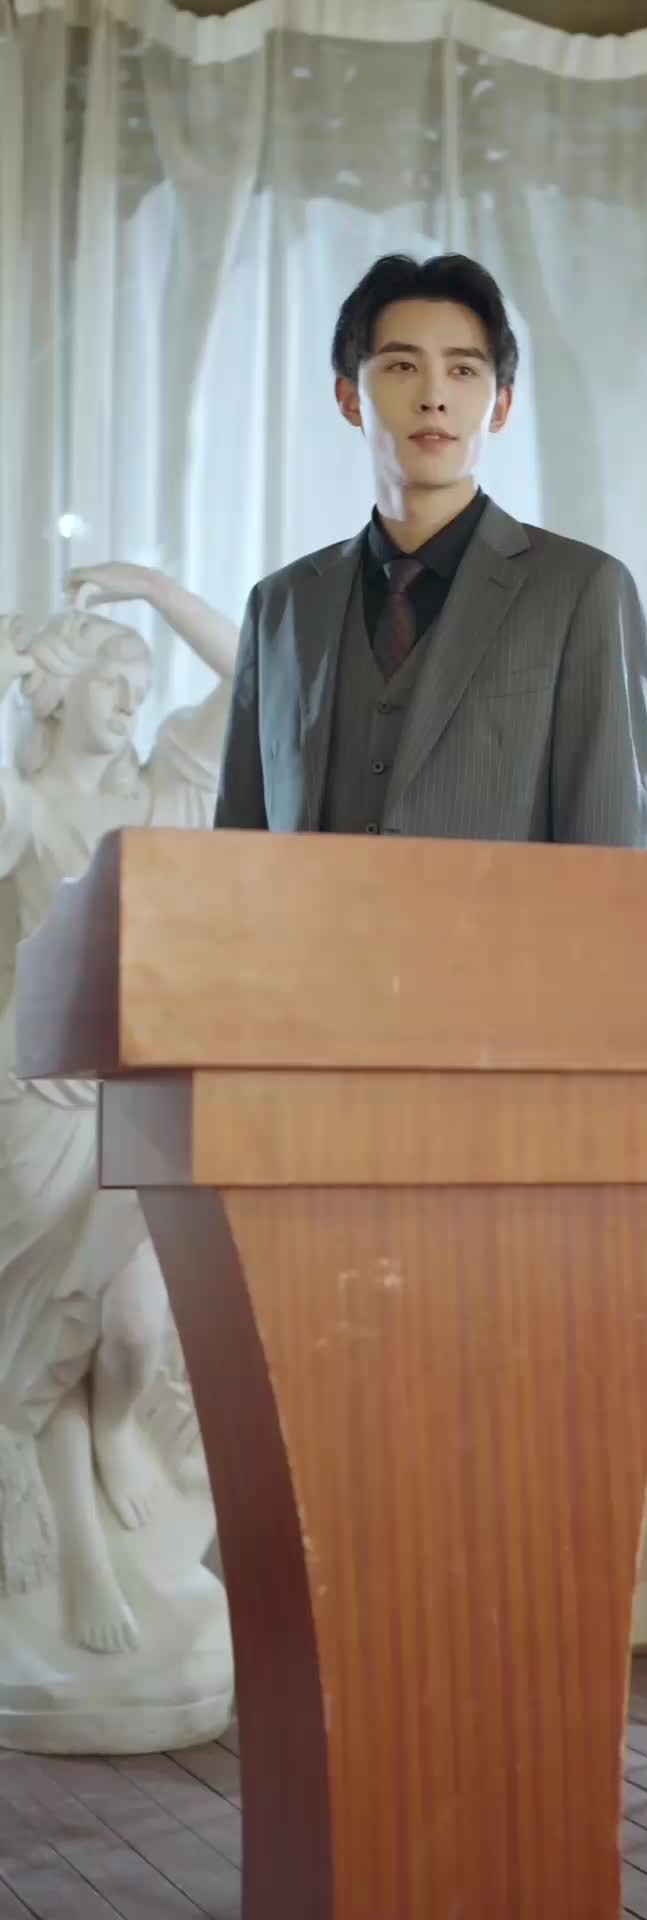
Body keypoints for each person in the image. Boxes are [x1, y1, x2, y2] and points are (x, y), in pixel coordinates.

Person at [213, 252, 647, 846]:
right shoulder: (280, 606)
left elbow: (609, 854)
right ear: (349, 398)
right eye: (402, 366)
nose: (433, 397)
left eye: (464, 370)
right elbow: (237, 853)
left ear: (501, 406)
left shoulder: (582, 590)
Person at [0, 567, 237, 1653]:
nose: (132, 703)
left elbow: (256, 674)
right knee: (49, 1320)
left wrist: (152, 590)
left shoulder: (163, 791)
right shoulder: (25, 809)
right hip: (38, 1094)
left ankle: (116, 1427)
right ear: (56, 692)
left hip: (142, 1093)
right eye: (112, 682)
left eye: (140, 687)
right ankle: (79, 1556)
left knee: (135, 1323)